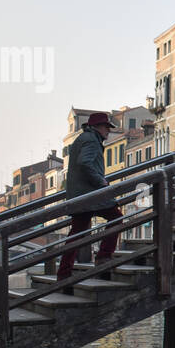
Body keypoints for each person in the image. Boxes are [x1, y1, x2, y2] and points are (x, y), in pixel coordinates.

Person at [56, 112, 121, 289]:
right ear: (98, 127)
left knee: (77, 233)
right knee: (116, 218)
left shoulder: (83, 138)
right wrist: (101, 181)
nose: (108, 131)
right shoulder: (92, 140)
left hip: (80, 194)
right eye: (106, 127)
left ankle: (64, 272)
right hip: (91, 193)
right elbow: (85, 163)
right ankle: (104, 256)